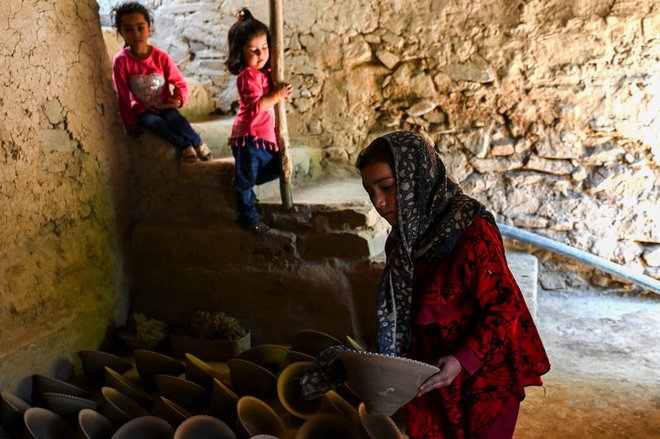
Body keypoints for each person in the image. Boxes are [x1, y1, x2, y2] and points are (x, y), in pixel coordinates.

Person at [354, 131, 551, 438]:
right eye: (371, 192)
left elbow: (504, 308)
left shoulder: (471, 231)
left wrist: (463, 359)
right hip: (431, 374)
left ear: (417, 178)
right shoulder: (401, 241)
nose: (379, 203)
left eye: (388, 187)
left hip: (482, 373)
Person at [111, 2, 211, 163]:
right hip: (143, 110)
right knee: (156, 124)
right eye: (128, 29)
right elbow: (122, 96)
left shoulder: (161, 57)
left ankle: (198, 143)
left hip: (165, 105)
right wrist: (130, 123)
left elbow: (180, 84)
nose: (135, 34)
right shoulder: (121, 61)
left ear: (149, 29)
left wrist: (177, 100)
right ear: (121, 33)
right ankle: (186, 146)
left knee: (176, 120)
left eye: (140, 27)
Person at [225, 8, 292, 234]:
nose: (261, 54)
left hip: (264, 137)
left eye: (264, 48)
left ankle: (243, 184)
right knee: (246, 180)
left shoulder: (265, 73)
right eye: (253, 50)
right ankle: (248, 216)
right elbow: (256, 107)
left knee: (278, 169)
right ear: (240, 53)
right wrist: (276, 96)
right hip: (249, 137)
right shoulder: (247, 75)